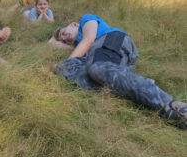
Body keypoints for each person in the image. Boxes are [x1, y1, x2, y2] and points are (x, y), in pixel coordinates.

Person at [49, 14, 187, 129]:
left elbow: (88, 40)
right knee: (86, 80)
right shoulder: (79, 46)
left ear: (73, 24)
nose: (64, 38)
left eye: (63, 33)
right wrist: (60, 42)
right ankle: (142, 87)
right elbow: (52, 44)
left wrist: (63, 63)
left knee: (96, 68)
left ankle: (171, 106)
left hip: (112, 41)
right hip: (110, 56)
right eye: (63, 40)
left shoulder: (87, 20)